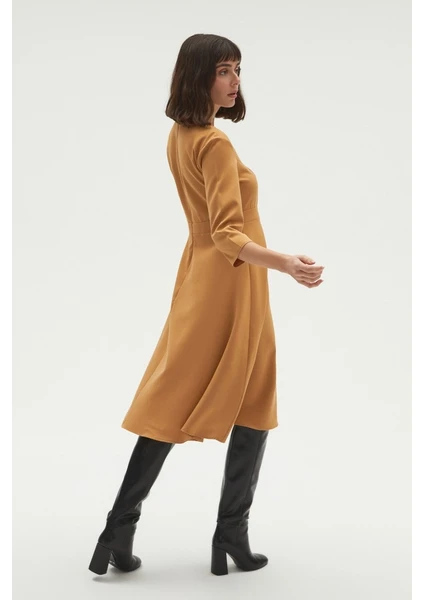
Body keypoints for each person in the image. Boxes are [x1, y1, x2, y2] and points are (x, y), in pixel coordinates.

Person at [88, 33, 325, 577]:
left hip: (206, 278)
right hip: (230, 281)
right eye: (223, 70)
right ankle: (223, 533)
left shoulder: (181, 134)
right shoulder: (213, 144)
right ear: (198, 77)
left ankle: (132, 530)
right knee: (236, 396)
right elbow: (226, 234)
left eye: (237, 69)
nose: (235, 80)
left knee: (195, 395)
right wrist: (286, 262)